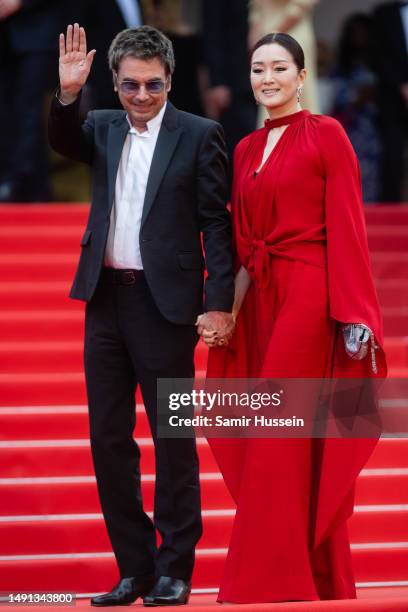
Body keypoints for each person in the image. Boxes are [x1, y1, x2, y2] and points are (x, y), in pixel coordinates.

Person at [48, 23, 234, 606]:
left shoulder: (201, 134)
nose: (142, 96)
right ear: (116, 83)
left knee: (172, 438)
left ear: (170, 80)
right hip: (105, 301)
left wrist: (219, 302)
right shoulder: (100, 125)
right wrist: (69, 95)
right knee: (108, 440)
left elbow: (217, 225)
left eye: (154, 85)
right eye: (130, 85)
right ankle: (137, 568)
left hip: (169, 306)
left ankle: (177, 566)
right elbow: (61, 140)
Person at [201, 32, 386, 604]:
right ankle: (314, 576)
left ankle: (267, 578)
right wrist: (226, 313)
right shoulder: (245, 150)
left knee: (277, 432)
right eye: (258, 69)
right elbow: (244, 245)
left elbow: (348, 225)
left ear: (301, 76)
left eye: (280, 67)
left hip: (309, 293)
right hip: (260, 300)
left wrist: (355, 313)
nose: (267, 78)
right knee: (269, 435)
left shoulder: (327, 134)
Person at [0, 0, 67, 202]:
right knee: (4, 110)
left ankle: (23, 179)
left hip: (36, 32)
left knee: (29, 108)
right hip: (4, 38)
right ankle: (28, 183)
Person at [330, 13, 381, 203]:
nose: (359, 37)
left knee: (374, 173)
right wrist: (356, 97)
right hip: (350, 129)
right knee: (350, 170)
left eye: (364, 32)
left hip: (373, 129)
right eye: (355, 32)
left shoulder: (378, 63)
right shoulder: (342, 65)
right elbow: (336, 97)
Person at [372, 1, 408, 203]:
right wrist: (401, 85)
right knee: (392, 155)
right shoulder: (383, 14)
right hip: (392, 98)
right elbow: (378, 56)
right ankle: (390, 205)